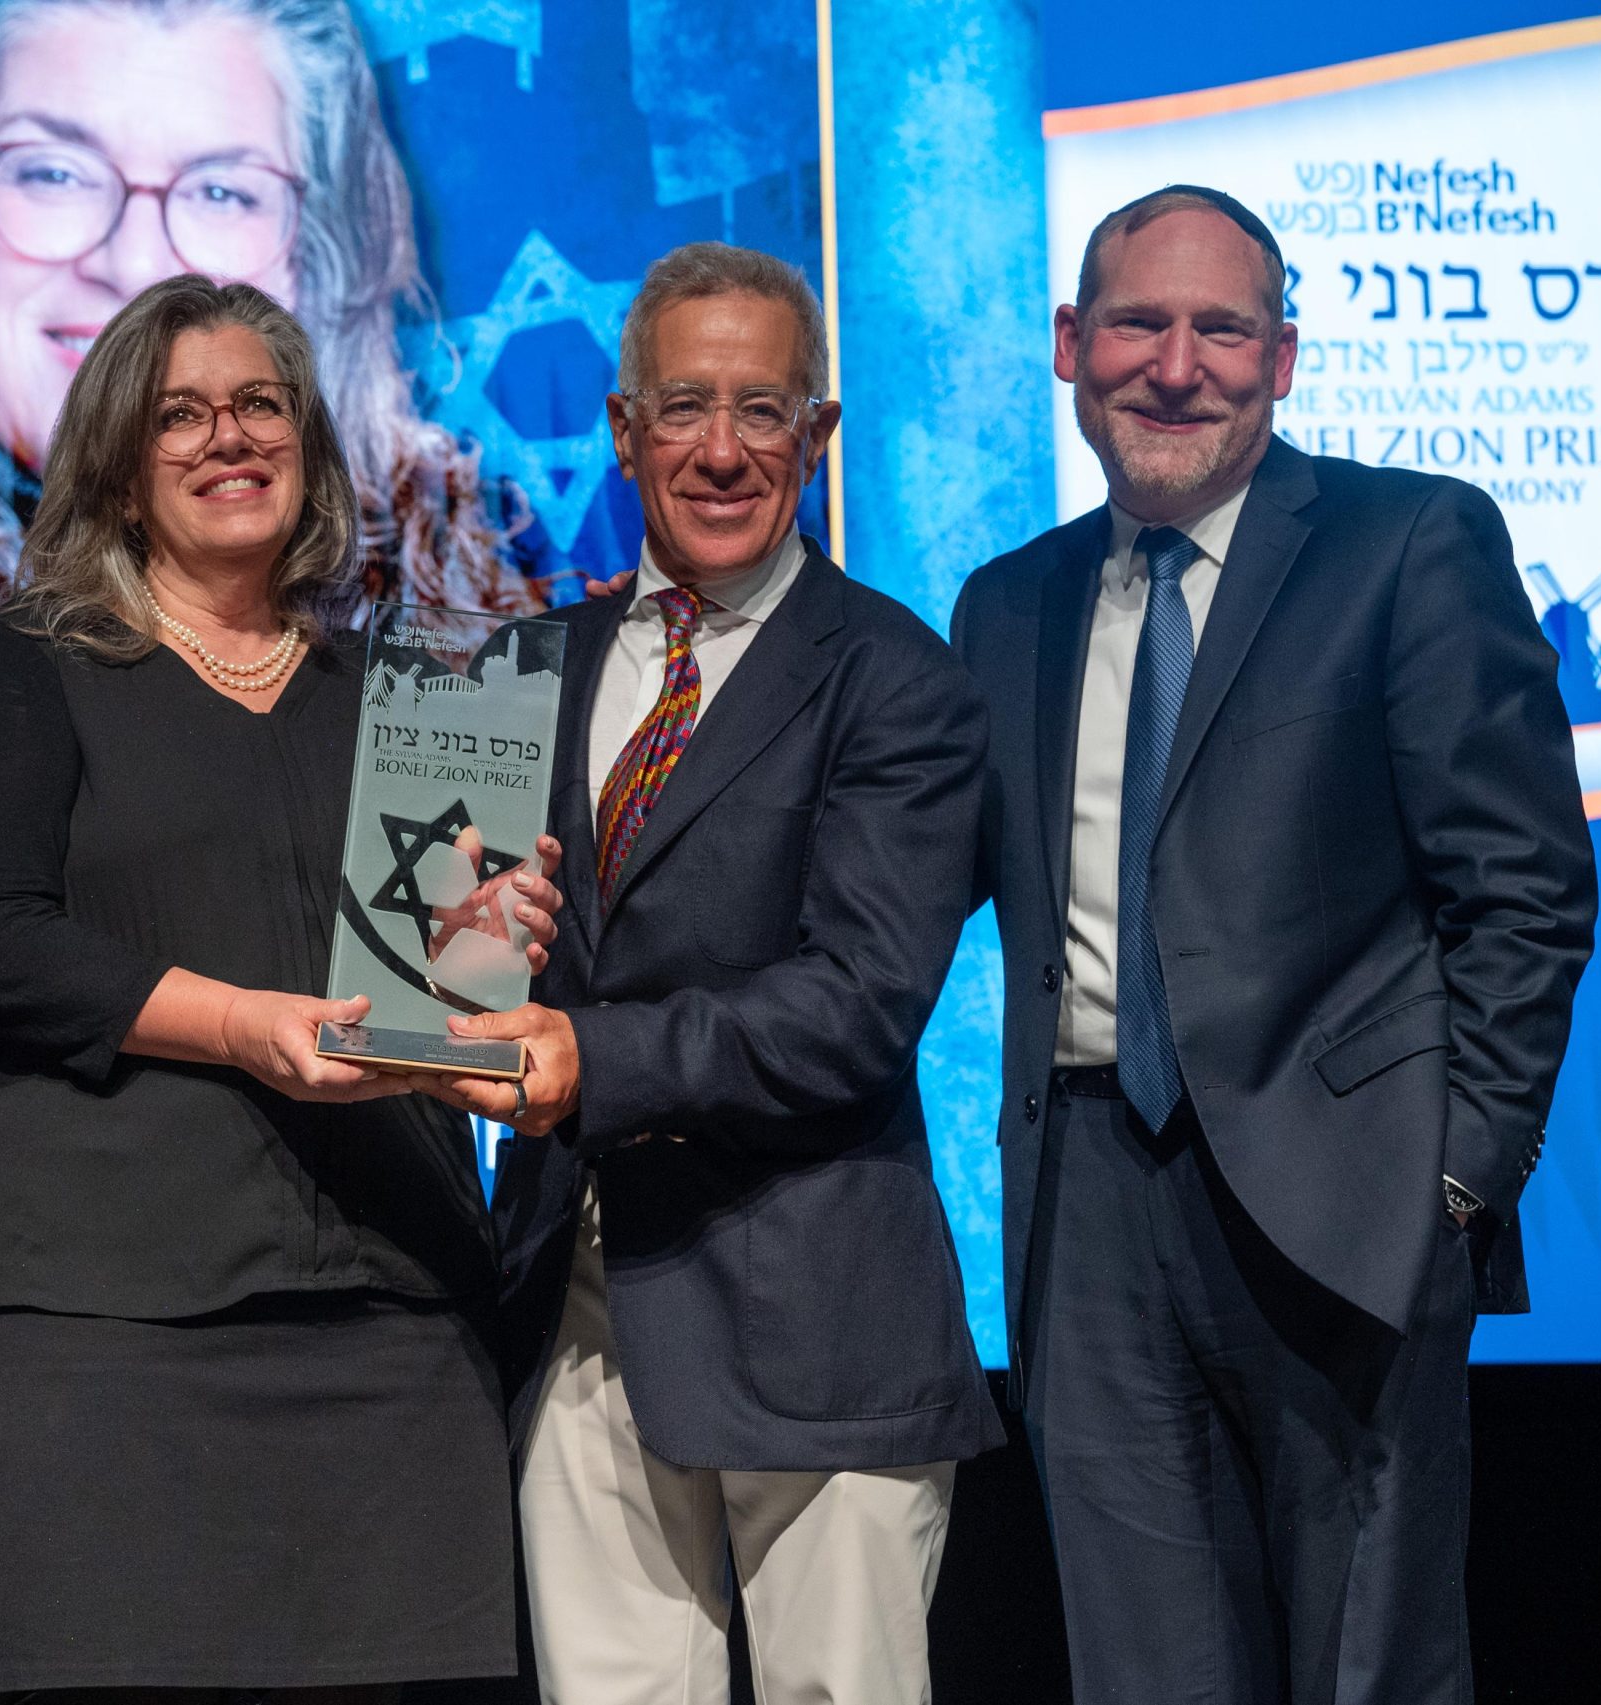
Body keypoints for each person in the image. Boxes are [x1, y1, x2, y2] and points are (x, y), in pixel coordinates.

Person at [950, 185, 1598, 1703]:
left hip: (1353, 1209)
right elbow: (906, 888)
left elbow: (1524, 887)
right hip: (1087, 1211)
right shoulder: (1006, 604)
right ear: (1070, 343)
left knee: (1371, 1674)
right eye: (1137, 323)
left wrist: (1457, 1181)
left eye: (1221, 330)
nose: (1176, 367)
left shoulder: (1410, 542)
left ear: (1283, 358)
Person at [0, 273, 564, 1701]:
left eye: (260, 404)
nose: (229, 437)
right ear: (119, 468)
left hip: (393, 1322)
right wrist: (242, 1027)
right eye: (180, 416)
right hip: (102, 1330)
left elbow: (441, 1011)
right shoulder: (33, 661)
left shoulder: (410, 695)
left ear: (307, 445)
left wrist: (498, 943)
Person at [424, 243, 1002, 1705]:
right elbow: (461, 995)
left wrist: (589, 1058)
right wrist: (457, 958)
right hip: (573, 1304)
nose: (723, 451)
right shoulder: (512, 668)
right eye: (685, 406)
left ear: (820, 434)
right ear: (624, 430)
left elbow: (858, 1005)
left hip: (815, 1313)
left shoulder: (898, 679)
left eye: (764, 410)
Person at [0, 0, 536, 705]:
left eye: (222, 192)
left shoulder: (464, 639)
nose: (137, 266)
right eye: (54, 173)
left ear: (314, 256)